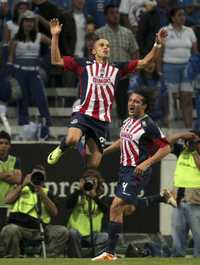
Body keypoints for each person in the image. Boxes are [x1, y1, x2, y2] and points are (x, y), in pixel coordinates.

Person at [47, 18, 167, 171]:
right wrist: (55, 36)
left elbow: (144, 62)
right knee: (71, 139)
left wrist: (157, 43)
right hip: (84, 113)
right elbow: (56, 60)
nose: (105, 47)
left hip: (101, 121)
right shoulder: (83, 65)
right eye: (101, 45)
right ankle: (61, 148)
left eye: (108, 46)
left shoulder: (118, 68)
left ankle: (85, 178)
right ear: (93, 51)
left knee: (94, 164)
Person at [92, 89, 171, 260]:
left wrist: (146, 163)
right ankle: (161, 198)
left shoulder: (148, 125)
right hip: (124, 170)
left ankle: (109, 253)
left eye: (137, 101)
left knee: (115, 206)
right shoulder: (127, 121)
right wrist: (103, 152)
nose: (132, 103)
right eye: (130, 100)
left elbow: (166, 148)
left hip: (137, 170)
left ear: (144, 106)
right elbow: (123, 141)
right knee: (124, 208)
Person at [0, 165, 69, 257]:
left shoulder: (47, 192)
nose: (36, 178)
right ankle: (13, 259)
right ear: (29, 175)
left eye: (40, 176)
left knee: (62, 231)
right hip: (20, 227)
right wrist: (22, 185)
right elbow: (7, 200)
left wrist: (42, 194)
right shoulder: (20, 188)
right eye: (35, 175)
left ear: (44, 179)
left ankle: (47, 258)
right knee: (9, 230)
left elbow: (54, 213)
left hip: (41, 228)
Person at [8, 10, 52, 140]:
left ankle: (46, 127)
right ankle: (24, 128)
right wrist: (11, 75)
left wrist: (45, 61)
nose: (29, 24)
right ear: (22, 23)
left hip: (34, 72)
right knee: (22, 101)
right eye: (26, 21)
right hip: (19, 71)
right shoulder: (15, 38)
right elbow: (10, 58)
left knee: (41, 99)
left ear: (34, 23)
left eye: (31, 21)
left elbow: (54, 43)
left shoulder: (39, 36)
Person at [167, 131, 200, 257]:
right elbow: (164, 143)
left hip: (197, 203)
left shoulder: (194, 152)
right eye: (189, 141)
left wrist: (194, 150)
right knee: (177, 241)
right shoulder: (181, 150)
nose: (190, 144)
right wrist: (181, 135)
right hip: (179, 202)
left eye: (195, 142)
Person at [65, 169, 108, 258]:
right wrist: (79, 190)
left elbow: (106, 210)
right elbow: (68, 205)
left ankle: (94, 257)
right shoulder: (78, 194)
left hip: (93, 235)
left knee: (105, 236)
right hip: (77, 233)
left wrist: (95, 197)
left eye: (93, 182)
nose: (91, 184)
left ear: (98, 183)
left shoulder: (101, 197)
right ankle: (77, 259)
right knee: (72, 233)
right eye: (88, 181)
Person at [0, 130, 22, 206]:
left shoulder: (15, 160)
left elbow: (18, 179)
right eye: (1, 143)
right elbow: (14, 178)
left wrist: (2, 175)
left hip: (9, 204)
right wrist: (9, 174)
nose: (3, 146)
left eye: (6, 143)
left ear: (9, 146)